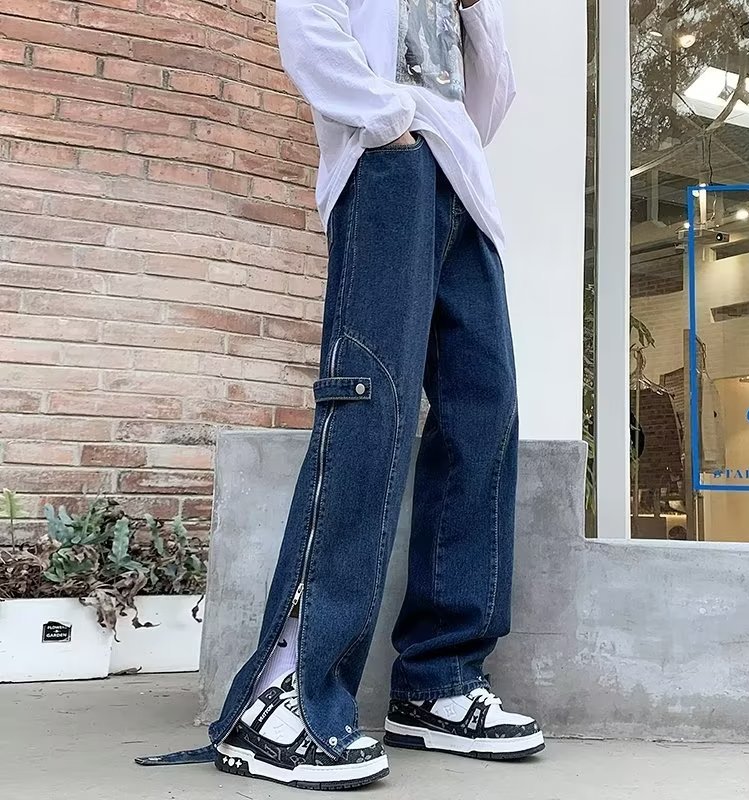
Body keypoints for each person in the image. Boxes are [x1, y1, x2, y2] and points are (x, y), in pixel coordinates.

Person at [136, 0, 544, 790]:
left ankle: (439, 682)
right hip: (388, 171)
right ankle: (283, 692)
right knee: (371, 407)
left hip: (465, 190)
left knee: (484, 415)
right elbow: (309, 30)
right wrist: (389, 125)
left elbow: (488, 105)